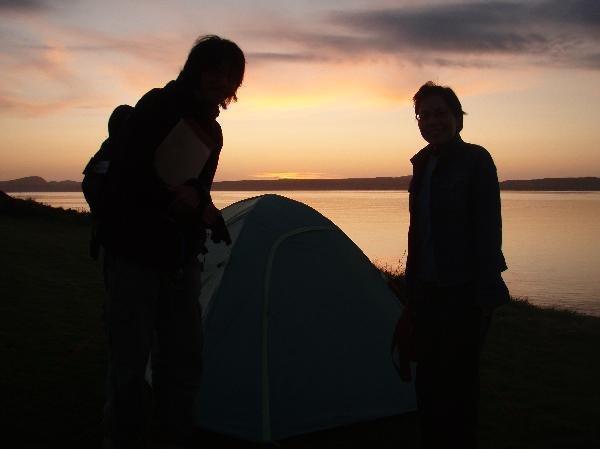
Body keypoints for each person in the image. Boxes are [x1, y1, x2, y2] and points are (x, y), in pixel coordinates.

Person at [99, 35, 244, 449]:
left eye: (232, 76)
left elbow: (199, 187)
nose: (224, 81)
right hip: (133, 255)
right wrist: (170, 198)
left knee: (183, 360)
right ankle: (123, 438)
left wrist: (203, 205)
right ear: (197, 70)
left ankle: (173, 436)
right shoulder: (157, 106)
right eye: (217, 71)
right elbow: (126, 174)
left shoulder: (212, 131)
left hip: (181, 260)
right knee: (129, 363)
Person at [404, 81, 509, 449]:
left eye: (440, 114)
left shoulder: (476, 160)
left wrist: (484, 290)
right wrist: (410, 284)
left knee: (460, 379)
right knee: (428, 375)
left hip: (463, 288)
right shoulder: (422, 163)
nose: (432, 121)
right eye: (424, 115)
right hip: (427, 289)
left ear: (457, 117)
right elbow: (419, 230)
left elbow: (487, 227)